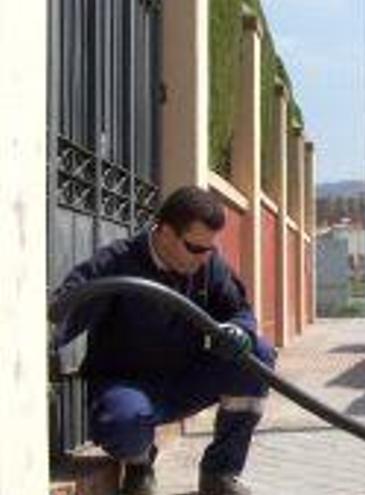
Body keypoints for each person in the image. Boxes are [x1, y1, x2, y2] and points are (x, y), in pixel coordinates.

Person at [50, 186, 276, 495]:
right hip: (126, 387)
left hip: (183, 382)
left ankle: (220, 473)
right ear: (165, 232)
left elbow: (240, 311)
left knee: (257, 356)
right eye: (195, 248)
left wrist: (239, 330)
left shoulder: (209, 265)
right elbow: (66, 310)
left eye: (209, 249)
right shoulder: (117, 263)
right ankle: (139, 466)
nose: (203, 258)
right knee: (124, 420)